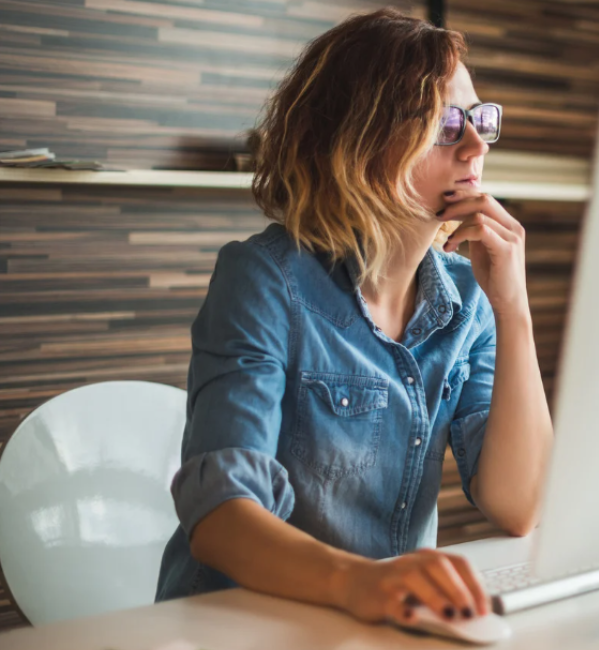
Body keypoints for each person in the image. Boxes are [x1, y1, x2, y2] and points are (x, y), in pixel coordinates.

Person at [155, 9, 554, 627]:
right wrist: (362, 583)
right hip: (240, 626)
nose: (477, 145)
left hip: (381, 624)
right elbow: (220, 517)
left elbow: (518, 505)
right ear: (360, 140)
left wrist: (514, 308)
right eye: (447, 124)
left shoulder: (470, 299)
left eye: (480, 120)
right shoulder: (262, 279)